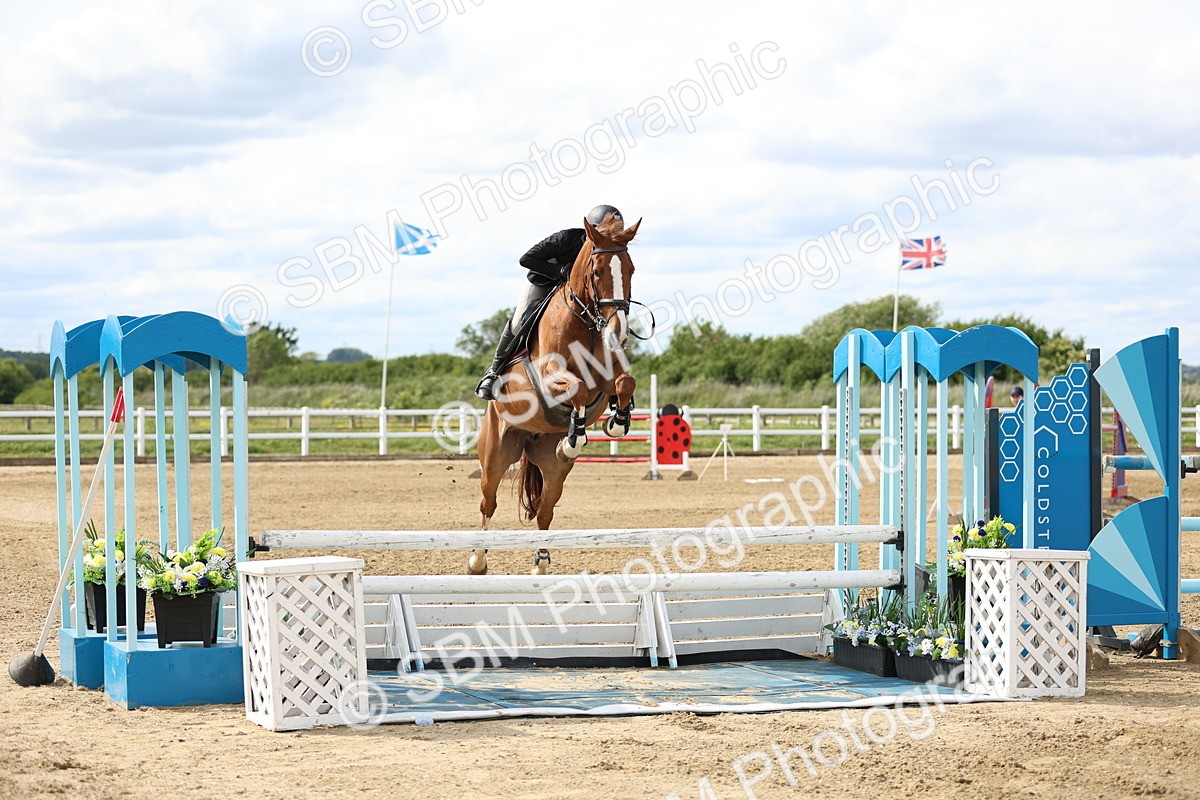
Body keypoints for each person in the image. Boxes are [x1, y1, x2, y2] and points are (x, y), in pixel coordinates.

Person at [474, 204, 624, 401]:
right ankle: (494, 372)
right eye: (608, 232)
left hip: (577, 292)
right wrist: (560, 271)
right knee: (520, 321)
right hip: (544, 282)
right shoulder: (565, 239)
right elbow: (526, 259)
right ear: (592, 230)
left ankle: (609, 379)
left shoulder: (610, 253)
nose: (612, 238)